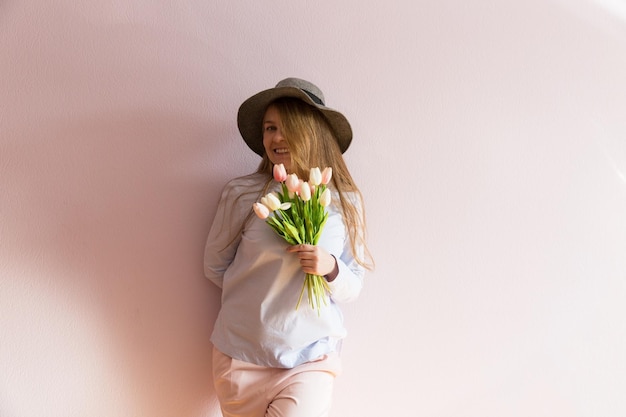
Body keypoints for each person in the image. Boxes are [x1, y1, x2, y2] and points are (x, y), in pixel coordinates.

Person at [204, 77, 373, 417]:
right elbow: (215, 265)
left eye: (286, 128)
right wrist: (260, 296)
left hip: (310, 358)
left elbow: (353, 285)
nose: (275, 138)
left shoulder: (342, 201)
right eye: (269, 128)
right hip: (241, 358)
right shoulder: (243, 194)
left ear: (312, 132)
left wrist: (330, 267)